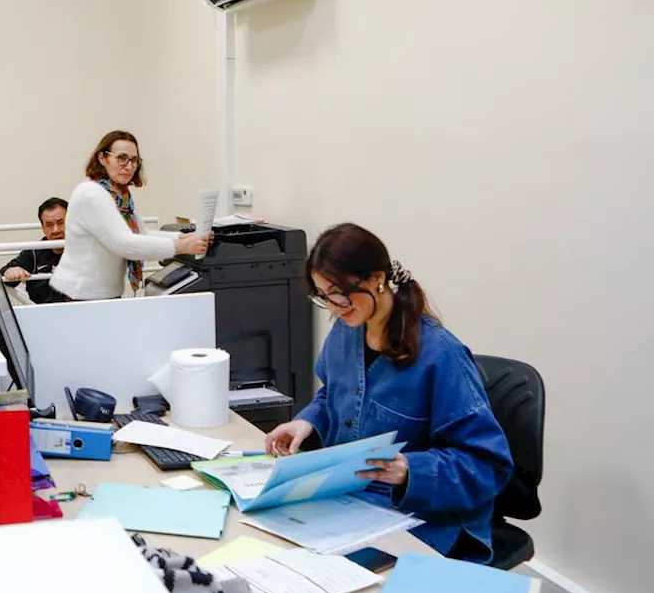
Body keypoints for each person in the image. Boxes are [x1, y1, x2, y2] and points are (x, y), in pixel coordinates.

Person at [264, 223, 513, 563]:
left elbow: (488, 466)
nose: (334, 306)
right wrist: (307, 423)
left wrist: (411, 470)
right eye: (323, 295)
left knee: (310, 569)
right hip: (347, 499)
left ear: (377, 279)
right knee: (267, 539)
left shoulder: (442, 356)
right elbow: (333, 394)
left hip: (416, 516)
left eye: (340, 292)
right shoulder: (345, 331)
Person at [48, 130, 209, 301]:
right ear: (102, 158)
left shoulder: (120, 195)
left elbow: (138, 233)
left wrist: (183, 237)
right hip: (79, 293)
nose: (129, 166)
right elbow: (124, 243)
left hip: (99, 293)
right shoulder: (91, 193)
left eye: (134, 160)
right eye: (121, 158)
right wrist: (181, 246)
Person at [0, 196, 68, 304]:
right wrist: (10, 272)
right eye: (49, 225)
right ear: (43, 229)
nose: (55, 230)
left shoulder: (86, 248)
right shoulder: (35, 252)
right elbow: (3, 273)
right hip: (43, 315)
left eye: (60, 223)